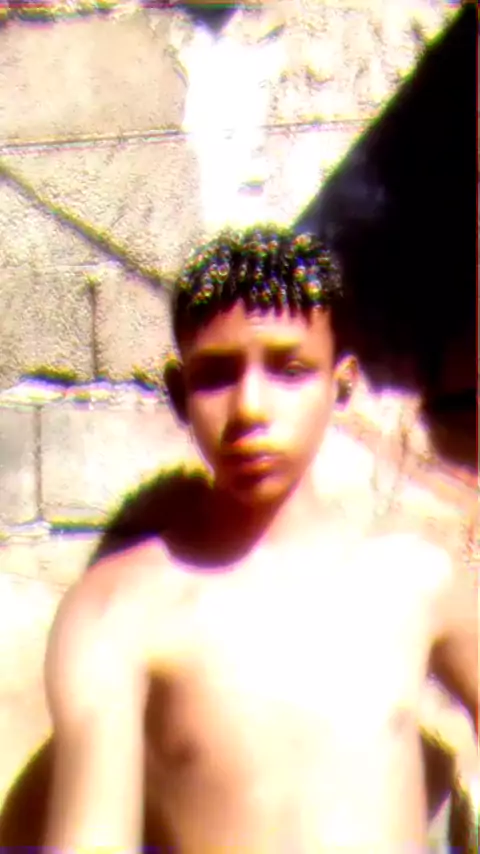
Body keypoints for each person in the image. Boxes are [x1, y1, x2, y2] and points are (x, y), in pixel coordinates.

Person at [0, 227, 478, 852]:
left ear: (340, 385)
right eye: (216, 376)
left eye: (289, 369)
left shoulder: (416, 583)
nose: (251, 408)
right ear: (179, 394)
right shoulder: (119, 609)